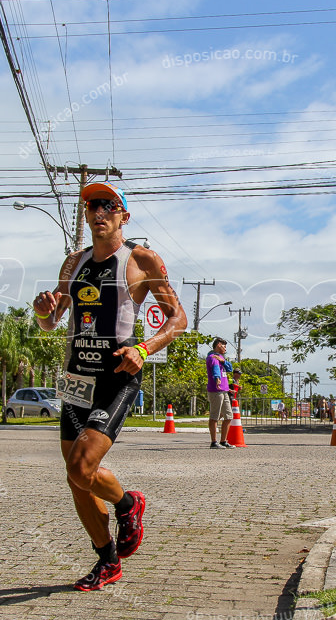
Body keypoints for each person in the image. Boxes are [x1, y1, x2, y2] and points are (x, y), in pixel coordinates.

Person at [32, 182, 187, 591]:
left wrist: (144, 347)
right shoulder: (72, 263)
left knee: (82, 466)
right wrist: (43, 313)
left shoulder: (141, 259)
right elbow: (52, 322)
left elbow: (177, 319)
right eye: (91, 206)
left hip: (117, 376)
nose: (98, 212)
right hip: (76, 378)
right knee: (75, 477)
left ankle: (126, 503)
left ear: (123, 216)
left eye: (107, 205)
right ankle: (108, 560)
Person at [206, 337, 235, 449]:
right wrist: (217, 378)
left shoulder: (221, 358)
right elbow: (215, 369)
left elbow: (230, 369)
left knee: (228, 416)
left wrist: (223, 361)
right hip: (216, 391)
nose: (225, 348)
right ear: (218, 345)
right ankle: (214, 442)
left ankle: (223, 441)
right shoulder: (212, 357)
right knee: (214, 416)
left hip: (224, 390)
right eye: (224, 346)